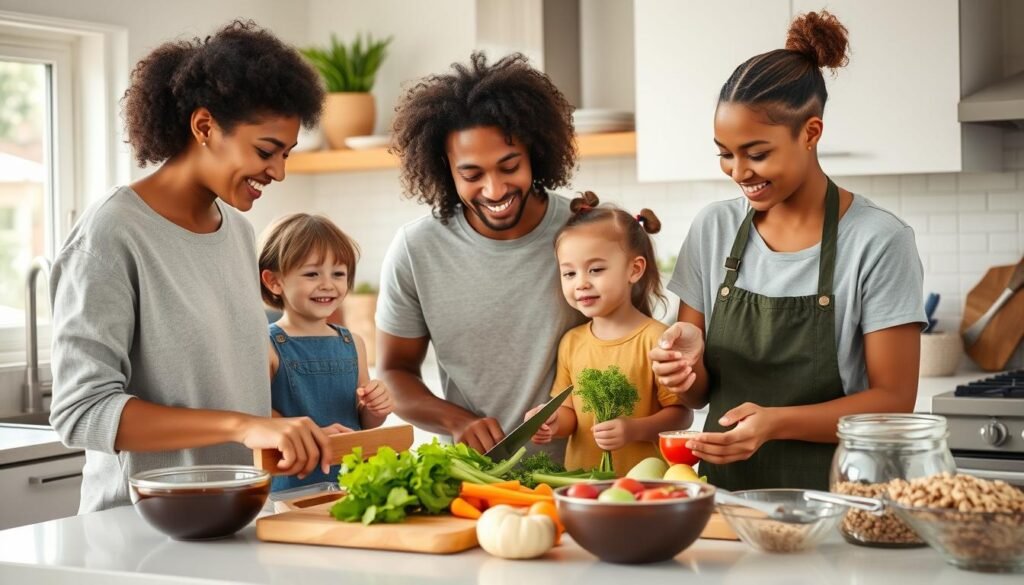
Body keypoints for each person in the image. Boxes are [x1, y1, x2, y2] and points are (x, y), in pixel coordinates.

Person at [48, 21, 335, 513]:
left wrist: (286, 430)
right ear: (204, 127)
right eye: (266, 151)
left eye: (285, 154)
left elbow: (219, 390)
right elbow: (81, 412)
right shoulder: (113, 233)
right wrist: (243, 426)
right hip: (140, 530)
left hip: (235, 515)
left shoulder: (238, 233)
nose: (279, 172)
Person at [649, 11, 926, 490]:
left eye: (757, 154)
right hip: (724, 498)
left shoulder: (879, 241)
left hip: (841, 497)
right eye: (725, 153)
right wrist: (682, 368)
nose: (738, 172)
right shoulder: (713, 228)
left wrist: (774, 423)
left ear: (811, 133)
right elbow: (697, 397)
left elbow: (894, 401)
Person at [379, 52, 585, 455]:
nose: (494, 191)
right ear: (445, 168)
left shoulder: (584, 231)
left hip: (583, 479)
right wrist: (456, 421)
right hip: (474, 480)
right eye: (472, 175)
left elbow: (631, 343)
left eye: (509, 166)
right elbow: (393, 371)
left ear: (534, 154)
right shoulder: (416, 249)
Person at [527, 192, 692, 475]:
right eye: (569, 273)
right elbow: (571, 414)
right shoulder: (572, 341)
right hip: (583, 484)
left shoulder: (657, 339)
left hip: (645, 487)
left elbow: (681, 415)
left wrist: (634, 430)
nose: (581, 283)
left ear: (634, 269)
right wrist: (550, 422)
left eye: (595, 269)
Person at [258, 213, 394, 491]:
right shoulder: (267, 344)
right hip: (291, 486)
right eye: (311, 274)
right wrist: (310, 436)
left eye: (338, 274)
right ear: (274, 281)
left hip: (354, 483)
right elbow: (257, 417)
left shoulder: (353, 343)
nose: (328, 284)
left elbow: (363, 422)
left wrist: (375, 408)